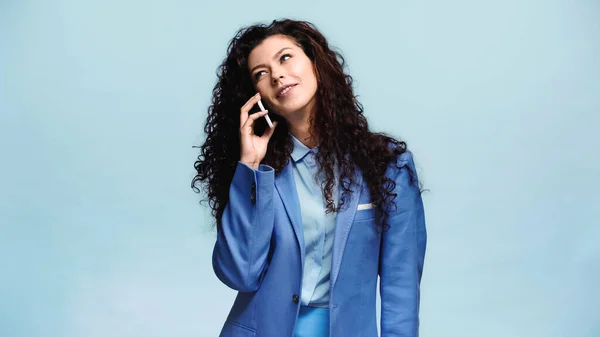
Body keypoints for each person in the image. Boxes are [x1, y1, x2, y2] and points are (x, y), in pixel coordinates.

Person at [192, 18, 427, 337]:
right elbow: (239, 275)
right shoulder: (260, 172)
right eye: (260, 73)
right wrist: (249, 165)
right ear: (256, 95)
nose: (276, 74)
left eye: (285, 57)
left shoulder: (388, 166)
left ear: (316, 64)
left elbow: (401, 290)